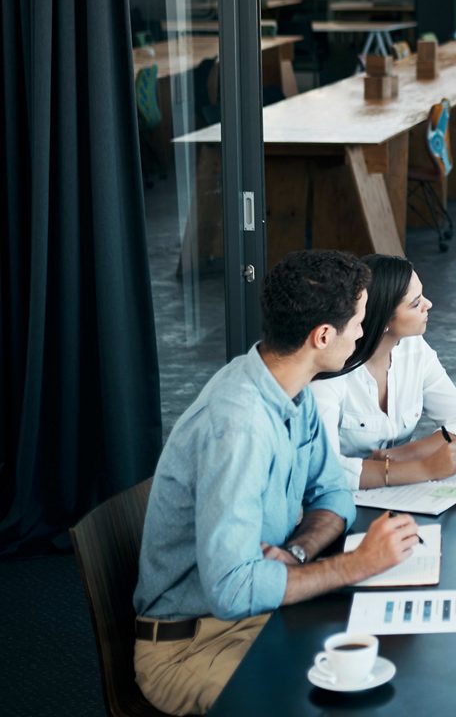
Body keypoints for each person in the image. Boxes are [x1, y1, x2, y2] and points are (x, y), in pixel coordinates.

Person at [133, 251, 422, 715]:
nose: (365, 335)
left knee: (389, 670)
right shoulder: (240, 427)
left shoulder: (290, 388)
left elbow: (333, 494)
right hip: (193, 646)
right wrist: (357, 565)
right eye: (359, 324)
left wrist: (299, 553)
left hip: (258, 614)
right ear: (323, 335)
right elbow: (231, 591)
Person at [312, 254, 456, 490]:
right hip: (338, 501)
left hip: (401, 494)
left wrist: (402, 453)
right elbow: (325, 471)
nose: (428, 304)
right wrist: (424, 468)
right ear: (383, 319)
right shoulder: (332, 370)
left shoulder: (414, 348)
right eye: (415, 303)